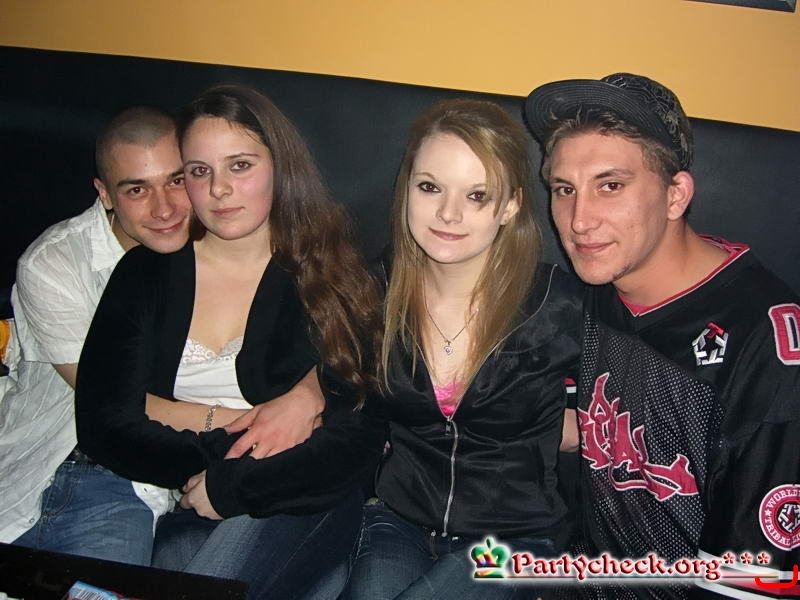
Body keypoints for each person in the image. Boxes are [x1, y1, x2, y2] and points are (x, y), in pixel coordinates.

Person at [75, 85, 386, 598]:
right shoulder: (145, 272)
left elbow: (357, 439)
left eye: (240, 166)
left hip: (300, 498)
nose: (219, 189)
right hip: (192, 498)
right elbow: (104, 426)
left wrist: (234, 482)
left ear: (280, 167)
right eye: (199, 171)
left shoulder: (330, 273)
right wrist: (220, 467)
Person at [525, 73, 800, 598]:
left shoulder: (764, 344)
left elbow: (753, 580)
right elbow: (569, 426)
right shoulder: (592, 291)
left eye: (610, 186)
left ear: (676, 195)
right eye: (564, 190)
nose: (579, 221)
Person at [343, 99, 583, 600]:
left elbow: (623, 413)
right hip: (397, 520)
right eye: (430, 187)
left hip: (513, 538)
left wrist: (557, 428)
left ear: (510, 205)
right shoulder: (374, 291)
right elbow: (330, 380)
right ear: (406, 188)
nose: (448, 214)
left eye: (477, 195)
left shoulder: (557, 305)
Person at [0, 106, 192, 564]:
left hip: (121, 485)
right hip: (33, 464)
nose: (164, 208)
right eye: (137, 189)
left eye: (176, 180)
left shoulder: (222, 252)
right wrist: (249, 425)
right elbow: (113, 403)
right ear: (105, 194)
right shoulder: (54, 262)